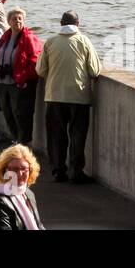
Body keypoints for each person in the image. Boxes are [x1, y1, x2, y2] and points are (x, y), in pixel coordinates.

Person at [36, 10, 103, 184]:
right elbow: (95, 70)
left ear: (60, 23)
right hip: (78, 96)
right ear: (78, 24)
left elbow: (40, 70)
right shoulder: (84, 41)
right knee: (77, 135)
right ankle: (76, 172)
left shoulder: (50, 42)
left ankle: (58, 171)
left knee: (56, 136)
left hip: (54, 96)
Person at [0, 6, 43, 146]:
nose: (17, 21)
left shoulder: (29, 38)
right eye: (14, 18)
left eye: (20, 18)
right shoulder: (5, 37)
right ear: (9, 21)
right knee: (8, 113)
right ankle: (16, 140)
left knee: (21, 114)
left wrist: (23, 77)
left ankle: (24, 144)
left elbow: (35, 61)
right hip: (2, 83)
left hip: (20, 84)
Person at [0, 144, 45, 230]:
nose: (19, 174)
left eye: (24, 168)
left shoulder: (28, 194)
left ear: (30, 170)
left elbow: (38, 226)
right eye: (15, 169)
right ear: (4, 171)